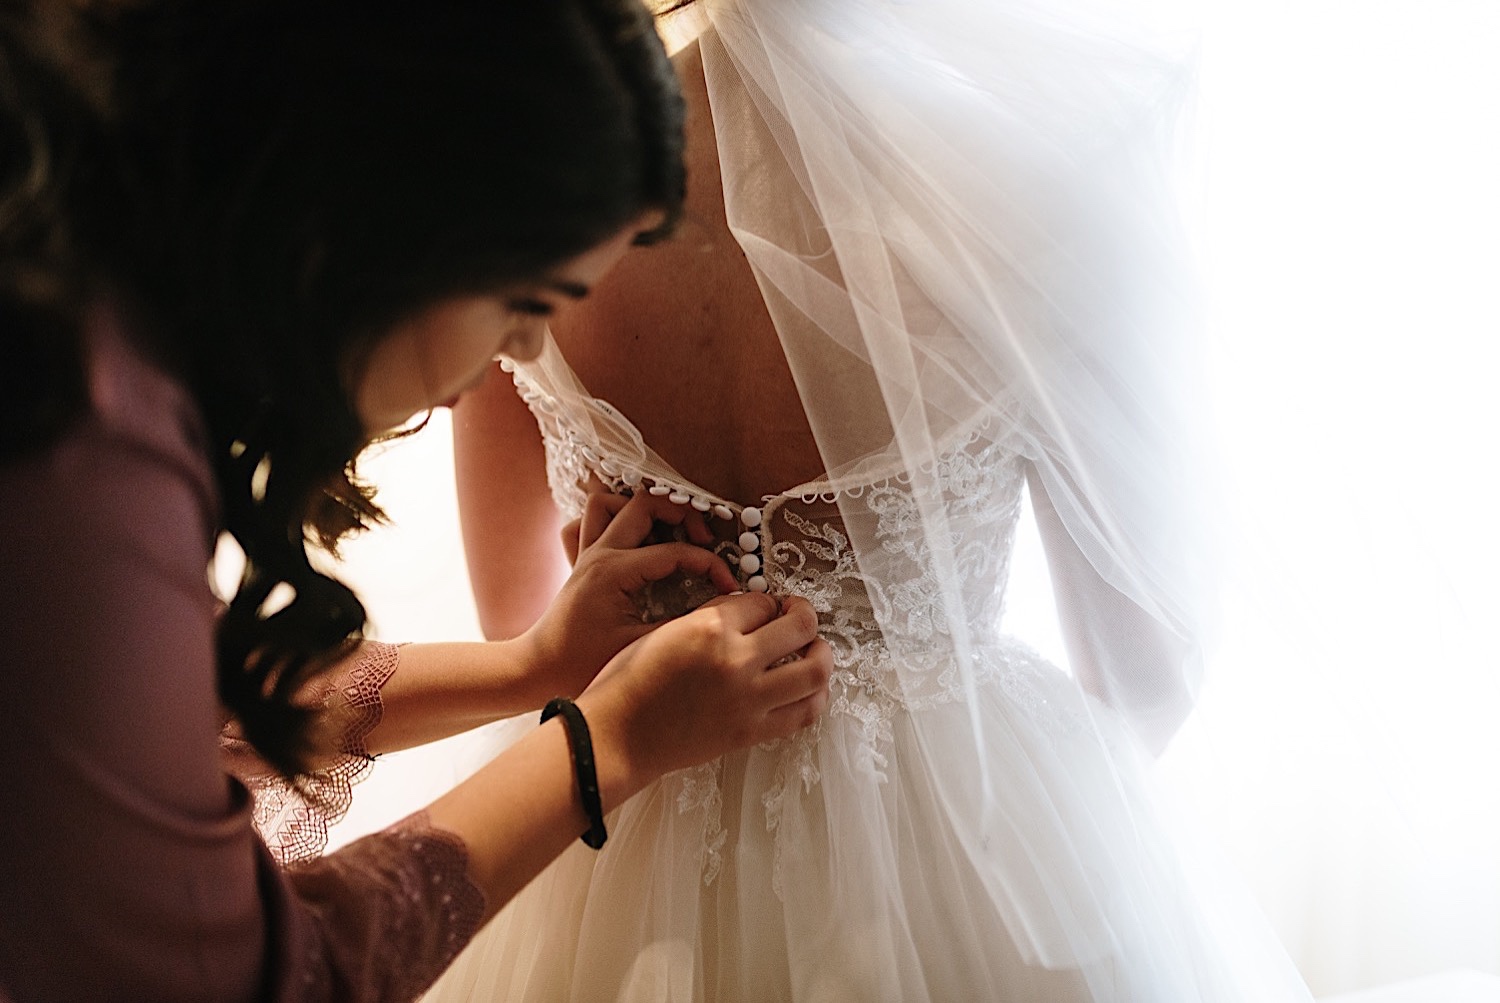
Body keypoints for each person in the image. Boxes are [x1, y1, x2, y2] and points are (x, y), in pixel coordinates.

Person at [426, 1, 1316, 1000]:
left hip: (614, 816)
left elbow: (516, 619)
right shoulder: (1036, 190)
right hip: (964, 841)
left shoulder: (536, 182)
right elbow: (1143, 662)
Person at [0, 2, 832, 1000]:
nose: (521, 358)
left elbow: (185, 702)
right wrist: (610, 741)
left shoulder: (85, 313)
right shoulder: (83, 444)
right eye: (526, 306)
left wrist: (530, 665)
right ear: (393, 211)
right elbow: (239, 981)